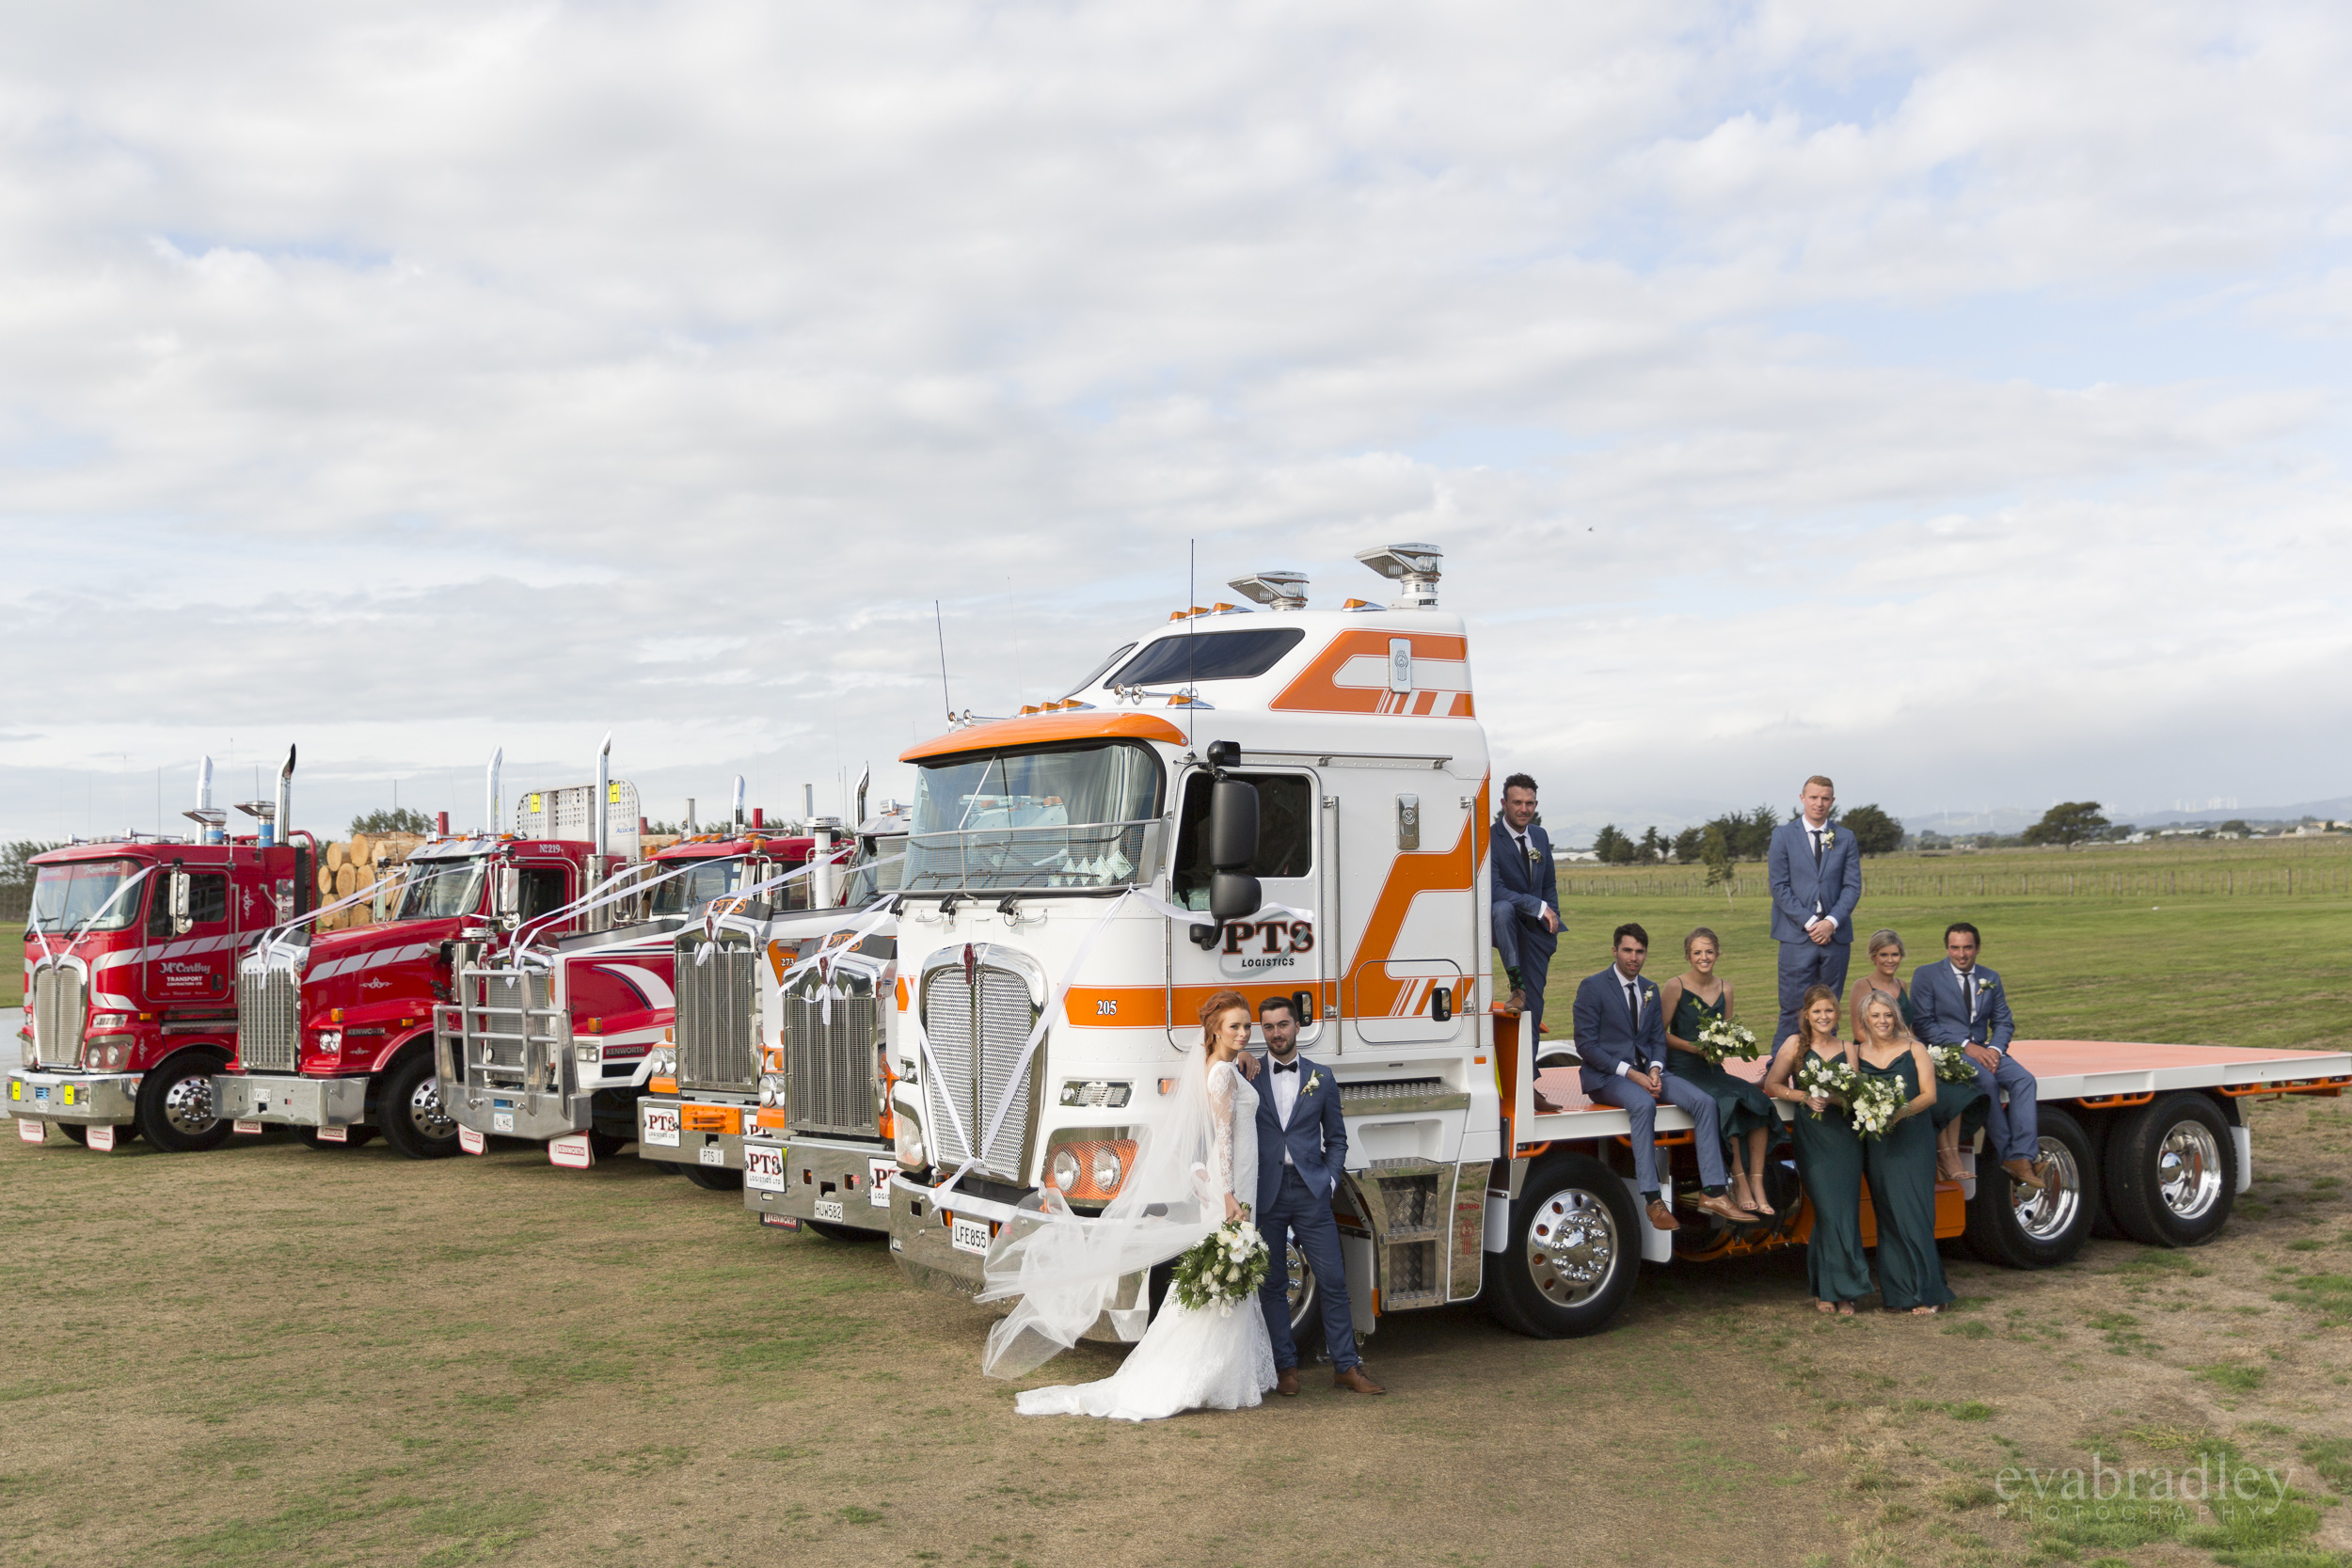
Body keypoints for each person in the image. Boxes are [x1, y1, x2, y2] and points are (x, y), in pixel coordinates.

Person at [980, 990, 1277, 1419]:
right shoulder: (1222, 1075)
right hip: (1234, 1180)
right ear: (1215, 1029)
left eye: (1247, 1026)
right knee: (1227, 1262)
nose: (1245, 1033)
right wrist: (1229, 1192)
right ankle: (1206, 1371)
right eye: (1235, 1026)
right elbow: (1224, 1137)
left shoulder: (1220, 1067)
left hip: (1232, 1177)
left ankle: (1228, 1370)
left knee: (1225, 1266)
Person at [1571, 925, 1749, 1231]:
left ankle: (1714, 1192)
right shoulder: (1593, 987)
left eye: (1640, 952)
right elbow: (1586, 1046)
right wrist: (1634, 1076)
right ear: (1615, 951)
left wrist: (1654, 1069)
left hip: (1650, 1071)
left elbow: (1656, 1039)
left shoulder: (1651, 989)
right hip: (1608, 1076)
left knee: (1704, 1102)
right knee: (1644, 1105)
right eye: (1627, 950)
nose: (1634, 957)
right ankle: (1653, 1199)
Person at [1252, 994, 1385, 1395]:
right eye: (1269, 1027)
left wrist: (1328, 1180)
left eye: (1283, 1025)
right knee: (1273, 1284)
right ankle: (1285, 1369)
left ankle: (1346, 1365)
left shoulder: (1322, 1077)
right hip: (1267, 1193)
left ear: (1297, 1026)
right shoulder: (1249, 1074)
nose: (1277, 1033)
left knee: (1332, 1280)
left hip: (1311, 1191)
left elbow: (1338, 1139)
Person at [1909, 922, 2053, 1194]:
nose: (1961, 954)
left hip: (1987, 1049)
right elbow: (1924, 1025)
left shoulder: (1991, 977)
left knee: (2024, 1080)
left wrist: (1995, 1050)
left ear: (1977, 948)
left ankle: (2021, 1154)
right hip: (1947, 1051)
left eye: (1967, 948)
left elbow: (2004, 1022)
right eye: (1954, 948)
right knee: (1986, 1082)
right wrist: (1966, 1047)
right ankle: (2011, 1156)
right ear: (1947, 948)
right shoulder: (1926, 975)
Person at [1659, 927, 1779, 1216]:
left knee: (1758, 1101)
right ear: (1688, 955)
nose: (1704, 958)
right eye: (1697, 952)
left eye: (1709, 952)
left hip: (1712, 1067)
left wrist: (1725, 1045)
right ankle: (1739, 1183)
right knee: (1728, 1103)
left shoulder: (1726, 988)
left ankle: (1757, 1181)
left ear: (1718, 953)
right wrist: (1693, 1047)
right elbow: (1658, 1034)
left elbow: (1725, 1033)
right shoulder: (1675, 986)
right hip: (1683, 1068)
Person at [1763, 986, 1867, 1314]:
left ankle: (1838, 1290)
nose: (1824, 1017)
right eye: (1817, 1011)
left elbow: (1856, 1093)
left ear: (1837, 1015)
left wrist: (1835, 1098)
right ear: (1806, 1015)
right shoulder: (1795, 1044)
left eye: (1829, 1011)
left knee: (1845, 1211)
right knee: (1826, 1210)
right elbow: (1772, 1085)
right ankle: (1831, 1287)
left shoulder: (1848, 1048)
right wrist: (1804, 1097)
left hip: (1845, 1138)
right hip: (1813, 1136)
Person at [1853, 990, 1954, 1315]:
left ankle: (1930, 1293)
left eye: (1888, 1015)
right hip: (1878, 1143)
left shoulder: (1914, 1048)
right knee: (1889, 1216)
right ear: (1865, 1020)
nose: (1883, 1022)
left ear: (1896, 1016)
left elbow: (1930, 1095)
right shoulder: (1857, 1054)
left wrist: (1897, 1112)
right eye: (1875, 1016)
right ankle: (1898, 1294)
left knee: (1914, 1213)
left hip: (1912, 1139)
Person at [1851, 929, 1979, 1181]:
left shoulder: (1901, 985)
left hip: (1905, 1049)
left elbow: (1908, 1029)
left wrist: (1924, 1054)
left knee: (1953, 1086)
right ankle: (1945, 1157)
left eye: (1895, 955)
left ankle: (1951, 1154)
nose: (1890, 960)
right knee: (1928, 1092)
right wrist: (1900, 1048)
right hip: (1876, 1057)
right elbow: (1858, 1031)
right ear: (1873, 957)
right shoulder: (1862, 985)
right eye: (1884, 955)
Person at [1767, 775, 1862, 1046]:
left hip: (1836, 938)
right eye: (1813, 797)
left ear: (1832, 801)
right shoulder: (1783, 836)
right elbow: (1779, 887)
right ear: (1802, 798)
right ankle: (1779, 1072)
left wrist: (1831, 922)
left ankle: (1825, 1072)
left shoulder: (1845, 837)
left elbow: (1852, 887)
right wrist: (1811, 922)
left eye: (1825, 798)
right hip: (1796, 937)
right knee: (1793, 1010)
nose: (1819, 803)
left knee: (1828, 1012)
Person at [1490, 773, 1565, 1112]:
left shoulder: (1540, 836)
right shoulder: (1488, 838)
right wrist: (1536, 906)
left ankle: (1528, 1085)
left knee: (1533, 1010)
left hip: (1537, 932)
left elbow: (1548, 885)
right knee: (1503, 907)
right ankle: (1514, 983)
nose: (1524, 809)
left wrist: (1552, 916)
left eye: (1530, 803)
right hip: (1504, 924)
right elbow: (1495, 889)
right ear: (1503, 804)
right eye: (1517, 803)